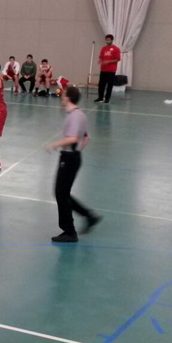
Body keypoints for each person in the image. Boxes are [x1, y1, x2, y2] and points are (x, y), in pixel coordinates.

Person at [47, 86, 101, 243]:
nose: (61, 97)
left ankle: (69, 232)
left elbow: (73, 138)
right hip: (73, 157)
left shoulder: (75, 116)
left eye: (64, 95)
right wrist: (77, 151)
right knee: (63, 193)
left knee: (60, 193)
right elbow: (86, 137)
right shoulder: (79, 114)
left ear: (68, 98)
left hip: (69, 158)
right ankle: (89, 216)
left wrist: (55, 145)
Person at [95, 34, 121, 103]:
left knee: (109, 85)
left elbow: (117, 59)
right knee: (101, 85)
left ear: (112, 40)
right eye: (107, 40)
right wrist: (100, 60)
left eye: (109, 40)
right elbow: (101, 56)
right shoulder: (103, 48)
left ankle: (107, 98)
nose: (108, 41)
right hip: (103, 69)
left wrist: (108, 61)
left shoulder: (116, 49)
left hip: (111, 70)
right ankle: (100, 98)